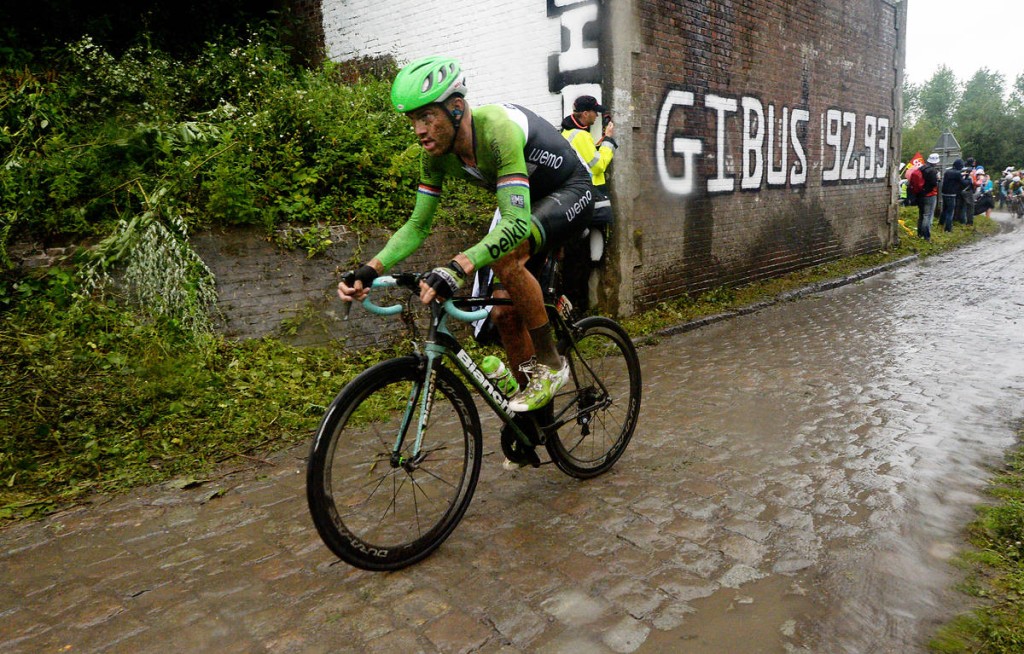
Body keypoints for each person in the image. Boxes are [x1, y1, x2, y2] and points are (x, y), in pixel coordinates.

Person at [336, 56, 594, 414]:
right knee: (503, 315)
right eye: (413, 120)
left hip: (570, 190)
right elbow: (417, 225)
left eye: (427, 117)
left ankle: (551, 365)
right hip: (520, 201)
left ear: (456, 109)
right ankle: (533, 413)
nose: (419, 130)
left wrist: (458, 267)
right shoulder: (434, 155)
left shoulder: (498, 130)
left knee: (506, 256)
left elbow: (516, 225)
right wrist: (371, 268)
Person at [560, 95, 618, 309]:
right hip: (587, 205)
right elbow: (597, 165)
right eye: (594, 112)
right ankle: (580, 310)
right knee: (582, 261)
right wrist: (609, 141)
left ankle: (571, 306)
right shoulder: (581, 137)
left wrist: (598, 142)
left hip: (573, 204)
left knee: (574, 259)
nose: (596, 116)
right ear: (585, 114)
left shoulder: (568, 133)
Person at [908, 153, 940, 240]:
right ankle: (926, 236)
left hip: (920, 195)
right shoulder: (932, 171)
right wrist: (937, 180)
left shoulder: (921, 168)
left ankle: (920, 234)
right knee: (928, 215)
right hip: (929, 196)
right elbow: (933, 183)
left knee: (921, 215)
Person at [940, 158, 967, 232]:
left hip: (944, 193)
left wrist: (961, 174)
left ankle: (941, 224)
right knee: (950, 212)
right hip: (951, 194)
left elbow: (953, 177)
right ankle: (948, 229)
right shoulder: (958, 174)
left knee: (944, 210)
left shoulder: (947, 172)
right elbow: (963, 183)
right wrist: (969, 179)